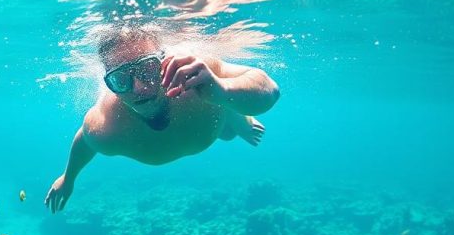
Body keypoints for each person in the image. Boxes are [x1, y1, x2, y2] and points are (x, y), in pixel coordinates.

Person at [44, 23, 280, 213]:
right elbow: (85, 139)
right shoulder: (106, 126)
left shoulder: (194, 75)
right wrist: (68, 178)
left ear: (164, 64)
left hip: (215, 118)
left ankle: (236, 116)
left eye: (147, 70)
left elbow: (269, 89)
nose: (138, 89)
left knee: (227, 129)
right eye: (120, 79)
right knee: (223, 128)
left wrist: (222, 90)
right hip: (205, 126)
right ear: (110, 85)